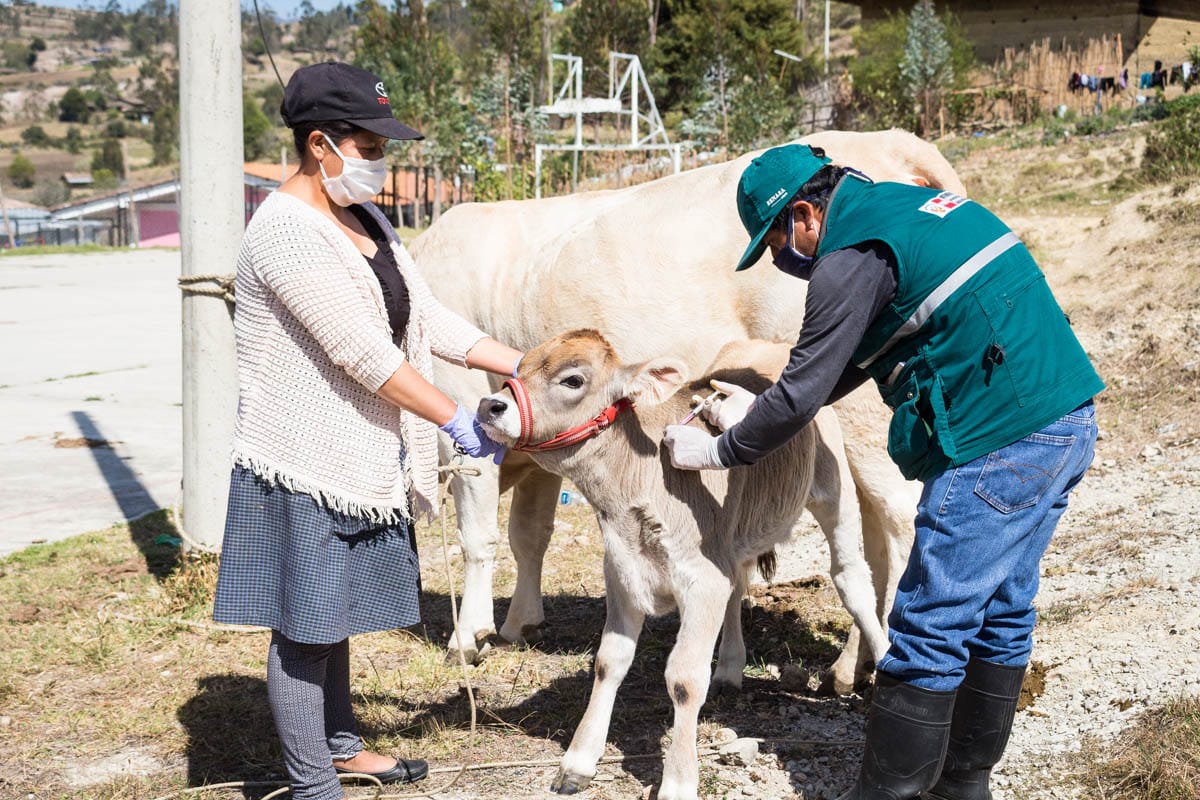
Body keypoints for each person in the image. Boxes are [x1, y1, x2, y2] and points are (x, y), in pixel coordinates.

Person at [662, 143, 1103, 800]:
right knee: (1003, 609)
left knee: (929, 621)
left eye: (779, 241)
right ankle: (962, 785)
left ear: (806, 213)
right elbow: (862, 354)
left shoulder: (849, 258)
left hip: (1001, 443)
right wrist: (766, 402)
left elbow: (805, 389)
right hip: (1065, 420)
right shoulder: (912, 208)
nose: (783, 259)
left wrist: (720, 451)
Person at [212, 61, 523, 800]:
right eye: (371, 146)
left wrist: (523, 365)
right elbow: (362, 353)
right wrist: (453, 416)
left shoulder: (364, 220)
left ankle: (343, 745)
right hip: (304, 456)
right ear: (321, 146)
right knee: (306, 629)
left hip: (361, 454)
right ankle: (313, 783)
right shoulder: (283, 232)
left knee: (336, 615)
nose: (381, 162)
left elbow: (426, 319)